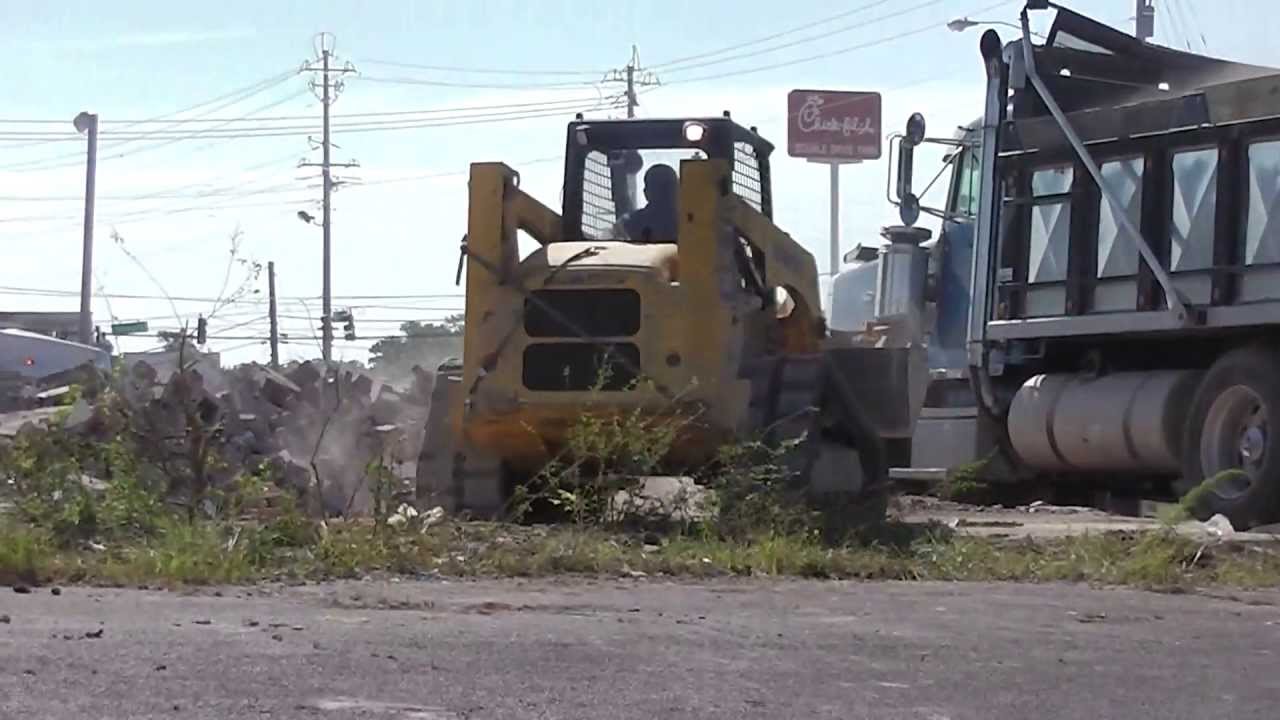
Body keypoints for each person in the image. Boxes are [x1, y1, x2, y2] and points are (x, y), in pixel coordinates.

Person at [622, 164, 679, 242]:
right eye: (659, 188)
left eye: (667, 187)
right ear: (646, 193)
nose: (664, 193)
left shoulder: (691, 221)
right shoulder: (629, 224)